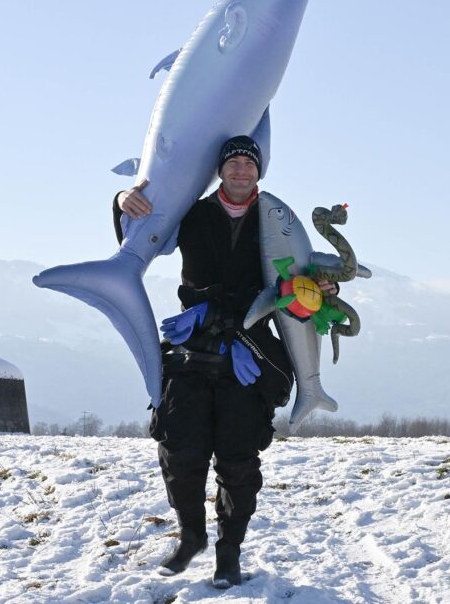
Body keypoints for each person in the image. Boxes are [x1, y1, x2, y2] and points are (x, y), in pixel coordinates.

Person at [115, 136, 331, 588]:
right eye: (232, 163)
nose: (240, 171)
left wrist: (323, 290)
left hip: (249, 353)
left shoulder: (275, 224)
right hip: (191, 349)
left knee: (238, 462)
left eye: (248, 164)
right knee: (179, 451)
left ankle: (229, 551)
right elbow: (138, 228)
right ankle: (191, 535)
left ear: (259, 172)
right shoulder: (191, 212)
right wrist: (122, 199)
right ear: (220, 170)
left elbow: (300, 282)